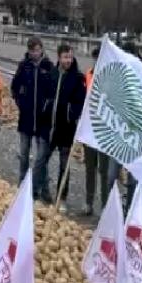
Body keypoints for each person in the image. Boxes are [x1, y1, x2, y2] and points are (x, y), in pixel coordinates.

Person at [12, 36, 55, 201]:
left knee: (41, 157)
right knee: (24, 155)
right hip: (26, 118)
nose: (34, 54)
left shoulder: (49, 67)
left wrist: (47, 106)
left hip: (43, 120)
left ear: (41, 49)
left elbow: (53, 92)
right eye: (31, 51)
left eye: (36, 50)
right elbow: (15, 87)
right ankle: (22, 185)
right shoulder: (24, 66)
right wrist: (20, 103)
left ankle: (42, 188)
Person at [47, 44, 85, 211]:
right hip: (51, 127)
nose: (68, 60)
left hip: (67, 128)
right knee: (42, 160)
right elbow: (46, 95)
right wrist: (47, 109)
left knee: (64, 165)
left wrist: (69, 112)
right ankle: (42, 189)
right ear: (59, 57)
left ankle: (61, 197)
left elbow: (79, 103)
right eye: (65, 57)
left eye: (70, 57)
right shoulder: (52, 74)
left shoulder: (78, 78)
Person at [80, 49, 114, 216]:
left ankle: (105, 205)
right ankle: (89, 202)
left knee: (104, 170)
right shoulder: (88, 74)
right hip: (89, 129)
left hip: (104, 132)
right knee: (90, 168)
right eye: (95, 59)